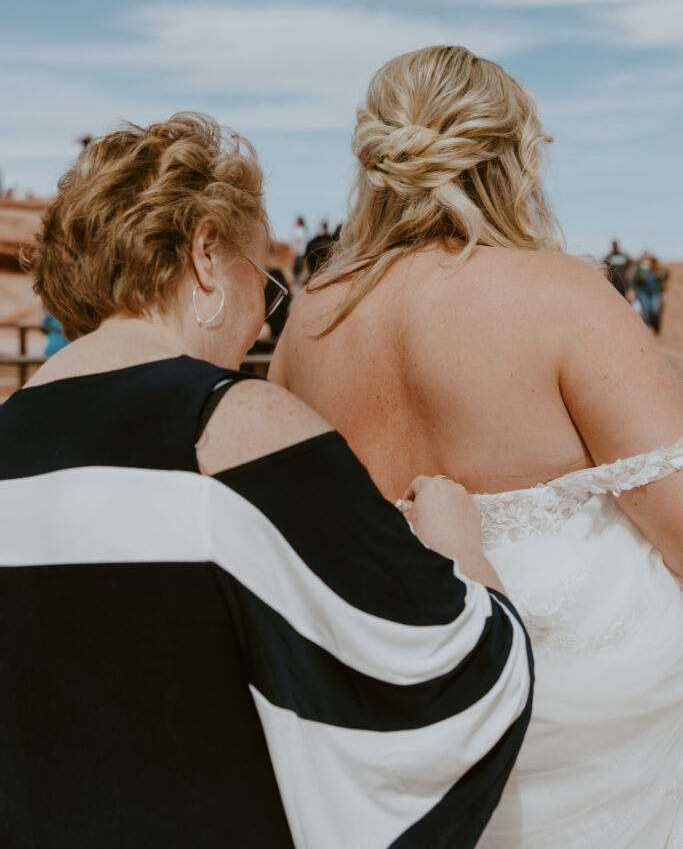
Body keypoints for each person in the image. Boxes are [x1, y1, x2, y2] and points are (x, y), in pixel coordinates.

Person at [0, 112, 532, 849]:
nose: (259, 322)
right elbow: (441, 674)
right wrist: (461, 552)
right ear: (207, 253)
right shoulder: (231, 426)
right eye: (266, 284)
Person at [269, 46, 683, 848]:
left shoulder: (309, 319)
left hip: (390, 715)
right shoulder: (560, 292)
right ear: (513, 157)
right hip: (587, 724)